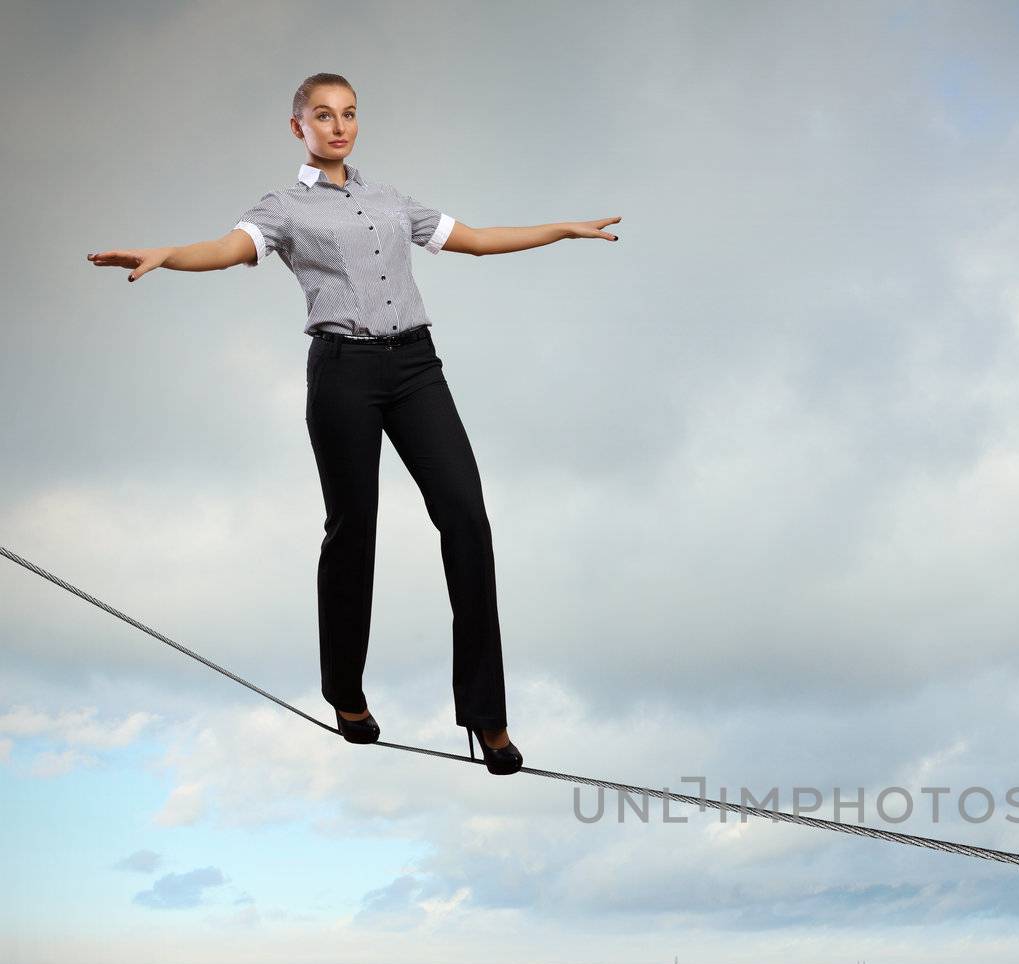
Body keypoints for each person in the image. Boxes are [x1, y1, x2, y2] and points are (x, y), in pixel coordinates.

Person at [87, 71, 621, 776]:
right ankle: (345, 691)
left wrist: (560, 229)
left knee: (467, 519)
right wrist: (168, 256)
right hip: (341, 372)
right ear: (298, 127)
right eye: (323, 115)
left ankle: (486, 717)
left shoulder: (389, 201)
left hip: (416, 368)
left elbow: (480, 240)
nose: (338, 126)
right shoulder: (282, 209)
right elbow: (226, 248)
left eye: (349, 114)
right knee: (353, 530)